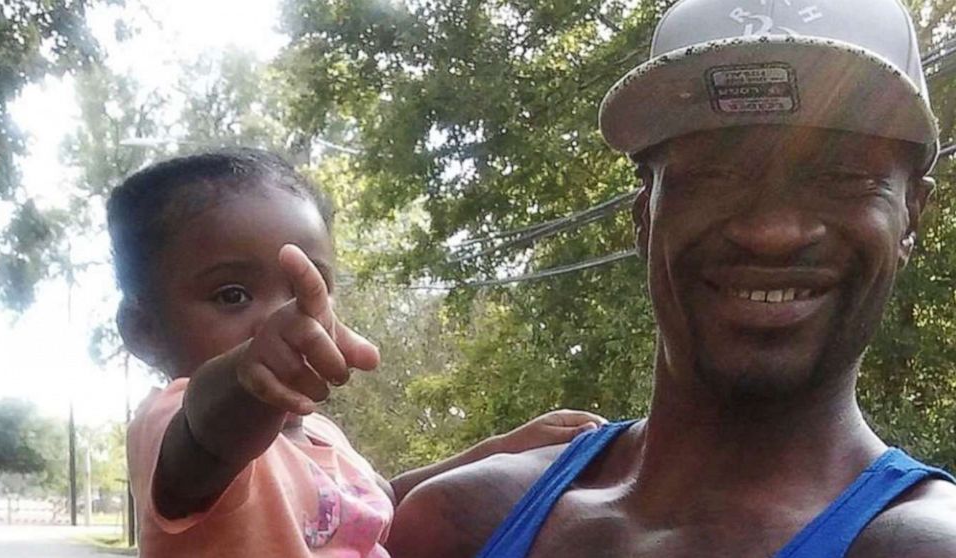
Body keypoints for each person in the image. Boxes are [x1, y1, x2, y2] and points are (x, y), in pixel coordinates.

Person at [386, 0, 956, 556]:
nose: (772, 232)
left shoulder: (922, 543)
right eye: (714, 174)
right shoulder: (464, 521)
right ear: (645, 213)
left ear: (910, 217)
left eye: (842, 176)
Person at [109, 148, 605, 557]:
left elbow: (380, 500)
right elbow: (206, 441)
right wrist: (246, 375)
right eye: (232, 295)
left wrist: (501, 449)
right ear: (143, 329)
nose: (289, 318)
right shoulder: (172, 422)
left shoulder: (323, 435)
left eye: (307, 292)